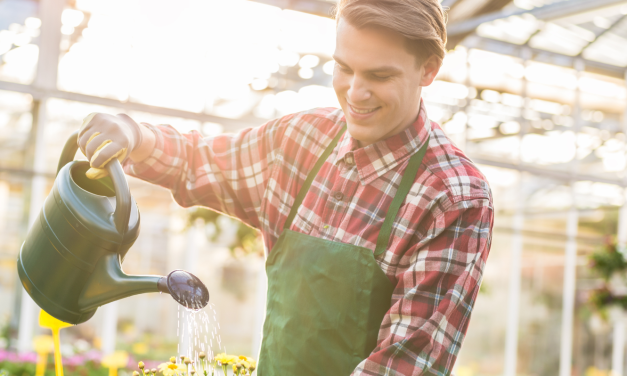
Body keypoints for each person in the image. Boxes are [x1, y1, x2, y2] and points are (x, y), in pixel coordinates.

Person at [78, 0, 494, 374]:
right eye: (344, 68)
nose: (355, 93)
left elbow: (405, 363)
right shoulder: (302, 140)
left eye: (379, 75)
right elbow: (199, 161)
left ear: (429, 69)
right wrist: (134, 133)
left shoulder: (453, 197)